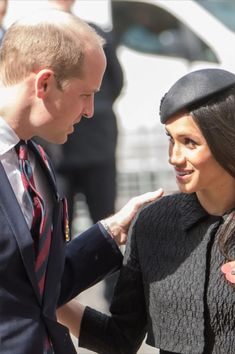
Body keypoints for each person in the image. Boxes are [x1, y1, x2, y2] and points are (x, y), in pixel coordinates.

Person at [0, 9, 163, 354]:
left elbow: (38, 287)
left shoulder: (36, 159)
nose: (90, 111)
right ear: (43, 84)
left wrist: (111, 231)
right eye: (85, 94)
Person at [57, 68, 235, 354]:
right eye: (171, 139)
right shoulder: (152, 223)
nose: (174, 157)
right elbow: (120, 338)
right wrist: (46, 297)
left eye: (190, 143)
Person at [49, 0, 124, 303]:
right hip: (57, 155)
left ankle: (117, 296)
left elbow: (116, 81)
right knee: (55, 230)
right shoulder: (39, 39)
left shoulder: (95, 35)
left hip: (95, 148)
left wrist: (90, 106)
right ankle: (56, 296)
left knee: (107, 223)